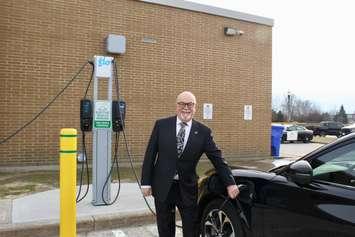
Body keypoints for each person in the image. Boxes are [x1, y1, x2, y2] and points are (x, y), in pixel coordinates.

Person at [141, 91, 239, 237]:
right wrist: (146, 183)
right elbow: (150, 155)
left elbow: (217, 158)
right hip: (162, 186)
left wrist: (230, 183)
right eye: (182, 103)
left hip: (187, 188)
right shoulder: (161, 125)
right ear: (176, 106)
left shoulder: (203, 132)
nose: (186, 107)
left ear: (195, 107)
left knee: (191, 229)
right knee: (165, 228)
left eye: (190, 104)